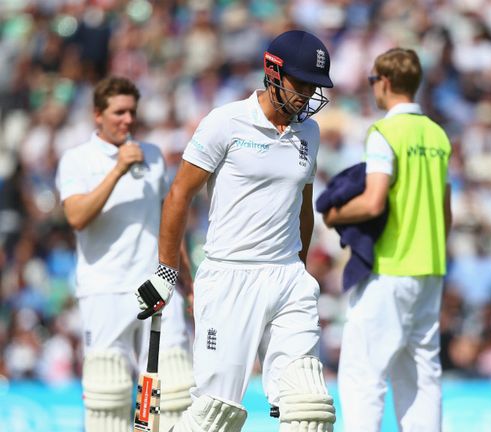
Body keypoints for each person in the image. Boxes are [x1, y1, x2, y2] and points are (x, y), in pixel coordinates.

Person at [134, 30, 337, 432]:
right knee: (216, 414)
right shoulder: (226, 122)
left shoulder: (309, 134)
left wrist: (298, 270)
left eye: (314, 86)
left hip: (288, 278)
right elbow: (178, 195)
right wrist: (166, 272)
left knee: (309, 406)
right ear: (273, 72)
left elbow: (303, 205)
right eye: (300, 83)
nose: (307, 95)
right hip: (230, 277)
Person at [321, 48, 452, 432]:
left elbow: (373, 200)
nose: (371, 87)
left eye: (372, 80)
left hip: (391, 265)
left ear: (386, 82)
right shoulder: (437, 134)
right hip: (430, 268)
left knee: (363, 374)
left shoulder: (385, 132)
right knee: (422, 377)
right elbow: (445, 211)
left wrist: (333, 215)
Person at [55, 76, 194, 432]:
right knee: (109, 396)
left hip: (158, 285)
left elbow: (169, 222)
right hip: (105, 289)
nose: (128, 120)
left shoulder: (153, 155)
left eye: (132, 112)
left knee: (175, 391)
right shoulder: (77, 160)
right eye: (119, 112)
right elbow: (76, 217)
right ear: (97, 115)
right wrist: (118, 169)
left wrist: (188, 284)